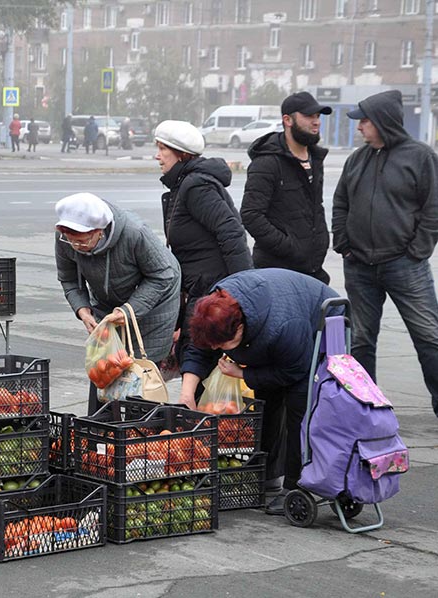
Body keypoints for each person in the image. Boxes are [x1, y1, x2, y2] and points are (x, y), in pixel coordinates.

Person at [179, 268, 342, 515]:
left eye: (223, 345)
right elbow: (201, 350)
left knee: (299, 406)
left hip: (318, 324)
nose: (218, 349)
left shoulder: (282, 328)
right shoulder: (213, 310)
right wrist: (187, 394)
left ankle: (295, 486)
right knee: (264, 405)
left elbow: (294, 371)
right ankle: (265, 474)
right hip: (278, 326)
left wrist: (243, 374)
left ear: (240, 328)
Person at [332, 89, 438, 417]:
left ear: (382, 121)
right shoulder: (357, 159)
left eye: (364, 120)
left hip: (405, 264)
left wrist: (418, 250)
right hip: (360, 266)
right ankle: (367, 410)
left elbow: (433, 206)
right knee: (361, 341)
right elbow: (340, 202)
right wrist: (344, 244)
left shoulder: (420, 156)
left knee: (429, 337)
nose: (359, 127)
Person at [55, 192, 182, 416]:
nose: (76, 246)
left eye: (82, 240)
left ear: (99, 231)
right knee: (103, 367)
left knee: (139, 372)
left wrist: (129, 310)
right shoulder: (65, 238)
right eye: (70, 240)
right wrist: (82, 310)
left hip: (154, 304)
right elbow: (68, 278)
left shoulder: (135, 232)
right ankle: (99, 432)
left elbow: (164, 275)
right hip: (107, 305)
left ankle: (138, 436)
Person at [154, 120, 252, 369]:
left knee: (198, 358)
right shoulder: (184, 184)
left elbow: (231, 232)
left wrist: (244, 290)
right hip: (199, 288)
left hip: (211, 290)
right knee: (194, 357)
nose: (157, 156)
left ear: (181, 154)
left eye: (162, 149)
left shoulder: (196, 186)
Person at [241, 91, 332, 284]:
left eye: (318, 116)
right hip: (276, 271)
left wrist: (322, 242)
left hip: (314, 268)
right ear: (287, 120)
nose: (316, 122)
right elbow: (251, 215)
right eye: (309, 116)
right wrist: (290, 247)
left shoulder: (316, 159)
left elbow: (316, 207)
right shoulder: (267, 162)